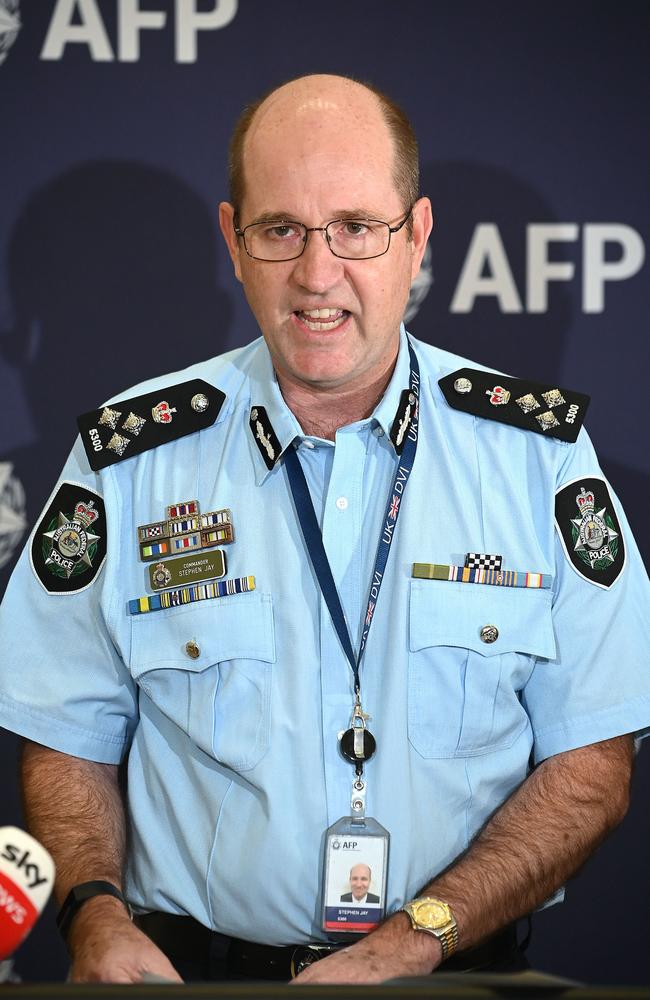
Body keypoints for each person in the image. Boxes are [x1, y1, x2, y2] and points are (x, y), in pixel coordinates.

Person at [0, 73, 648, 986]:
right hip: (194, 980)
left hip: (450, 975)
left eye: (356, 227)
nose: (317, 274)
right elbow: (64, 735)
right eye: (281, 231)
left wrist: (417, 936)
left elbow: (593, 767)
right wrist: (92, 914)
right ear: (233, 240)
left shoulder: (539, 459)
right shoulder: (129, 459)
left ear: (416, 237)